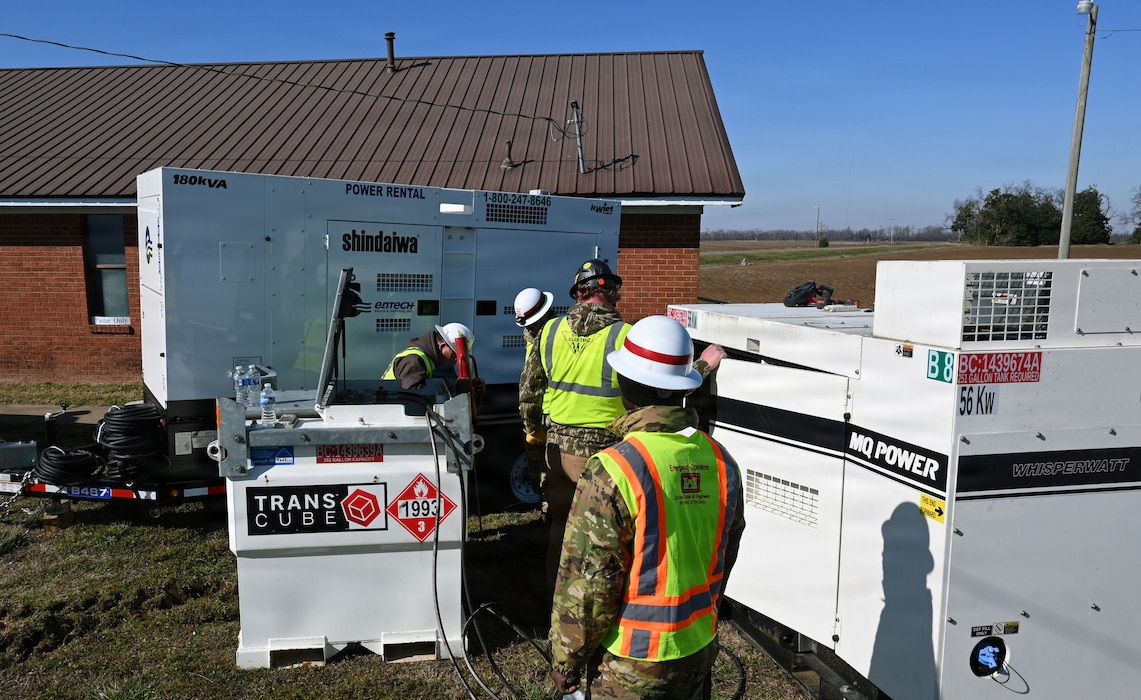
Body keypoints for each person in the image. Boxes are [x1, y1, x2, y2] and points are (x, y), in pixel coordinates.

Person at [548, 315, 745, 700]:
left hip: (631, 664)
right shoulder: (722, 461)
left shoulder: (614, 469)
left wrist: (566, 661)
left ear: (625, 384)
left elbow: (588, 584)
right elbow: (726, 553)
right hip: (698, 648)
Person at [514, 287, 557, 505]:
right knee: (540, 471)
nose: (528, 327)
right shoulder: (534, 337)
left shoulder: (550, 337)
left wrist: (531, 425)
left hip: (551, 414)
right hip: (540, 414)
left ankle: (549, 516)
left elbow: (531, 387)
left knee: (548, 472)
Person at [382, 322, 474, 390]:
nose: (455, 361)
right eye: (454, 354)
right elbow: (413, 399)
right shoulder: (414, 361)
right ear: (442, 346)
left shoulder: (427, 360)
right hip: (389, 412)